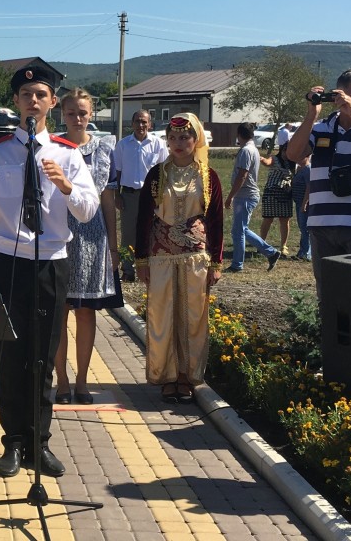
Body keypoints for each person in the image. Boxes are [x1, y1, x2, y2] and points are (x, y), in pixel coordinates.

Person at [0, 67, 99, 478]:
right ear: (16, 102)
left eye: (41, 94)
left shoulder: (67, 153)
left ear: (51, 103)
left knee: (43, 357)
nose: (33, 101)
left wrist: (66, 185)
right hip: (6, 262)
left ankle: (39, 442)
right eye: (26, 93)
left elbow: (88, 209)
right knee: (11, 356)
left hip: (50, 262)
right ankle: (13, 442)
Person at [135, 113, 223, 404]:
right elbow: (143, 219)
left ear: (196, 139)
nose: (178, 143)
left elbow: (216, 221)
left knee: (192, 317)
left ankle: (187, 376)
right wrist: (142, 260)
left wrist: (217, 262)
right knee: (162, 317)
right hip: (161, 257)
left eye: (185, 137)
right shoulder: (157, 174)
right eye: (172, 138)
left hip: (195, 259)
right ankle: (167, 376)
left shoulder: (208, 176)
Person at [52, 89, 122, 406]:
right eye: (71, 113)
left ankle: (81, 381)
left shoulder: (104, 150)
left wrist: (114, 246)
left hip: (93, 237)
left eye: (82, 112)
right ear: (62, 115)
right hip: (59, 232)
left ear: (91, 113)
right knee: (58, 310)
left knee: (85, 311)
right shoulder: (52, 148)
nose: (77, 118)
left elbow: (107, 199)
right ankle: (62, 381)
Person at [285, 69, 351, 308]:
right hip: (323, 225)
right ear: (339, 94)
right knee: (329, 297)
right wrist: (311, 115)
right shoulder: (322, 127)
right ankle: (329, 344)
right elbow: (294, 154)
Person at [113, 110, 169, 281]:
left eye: (144, 122)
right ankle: (128, 271)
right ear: (132, 124)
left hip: (152, 196)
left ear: (150, 124)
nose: (141, 125)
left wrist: (162, 196)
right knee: (128, 235)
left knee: (151, 232)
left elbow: (165, 171)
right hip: (129, 196)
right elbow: (117, 171)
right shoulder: (123, 145)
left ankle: (149, 269)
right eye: (137, 121)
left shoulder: (158, 144)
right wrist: (117, 195)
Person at [224, 122, 281, 272]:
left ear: (239, 134)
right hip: (247, 195)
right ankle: (271, 252)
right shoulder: (253, 149)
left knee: (238, 231)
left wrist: (230, 196)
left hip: (245, 195)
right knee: (241, 229)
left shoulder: (246, 151)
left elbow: (242, 175)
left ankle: (237, 264)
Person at [259, 140, 296, 256]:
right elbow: (267, 162)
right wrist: (261, 159)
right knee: (268, 219)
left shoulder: (294, 163)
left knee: (285, 220)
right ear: (282, 150)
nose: (287, 153)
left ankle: (283, 246)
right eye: (285, 150)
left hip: (285, 194)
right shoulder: (275, 159)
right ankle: (261, 244)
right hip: (271, 193)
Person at [291, 154, 312, 261]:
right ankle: (303, 251)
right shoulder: (299, 169)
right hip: (298, 202)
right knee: (302, 227)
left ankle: (306, 253)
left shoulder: (308, 169)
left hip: (305, 204)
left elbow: (309, 187)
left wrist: (304, 203)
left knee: (305, 228)